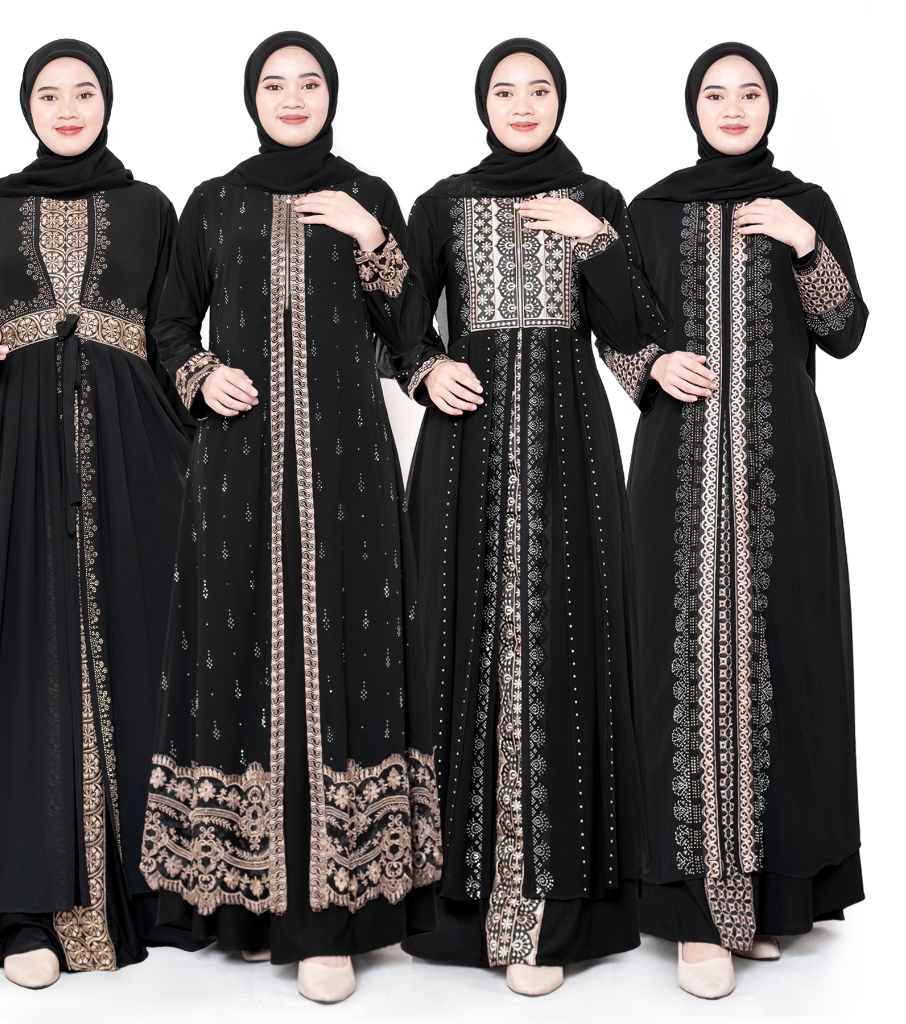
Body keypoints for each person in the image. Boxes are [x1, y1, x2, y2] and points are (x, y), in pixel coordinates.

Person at [138, 31, 443, 1004]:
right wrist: (200, 372)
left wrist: (372, 240)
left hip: (349, 464)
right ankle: (245, 899)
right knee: (242, 647)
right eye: (275, 84)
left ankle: (333, 915)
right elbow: (166, 321)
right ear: (252, 99)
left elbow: (411, 336)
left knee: (345, 649)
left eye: (310, 82)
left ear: (332, 95)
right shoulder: (213, 201)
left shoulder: (367, 193)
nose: (293, 97)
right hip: (238, 464)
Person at [0, 39, 200, 988]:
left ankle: (160, 890)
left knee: (146, 640)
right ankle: (25, 905)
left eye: (85, 92)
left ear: (108, 102)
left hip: (138, 446)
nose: (69, 107)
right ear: (27, 107)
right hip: (21, 449)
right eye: (50, 94)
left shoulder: (150, 205)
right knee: (25, 648)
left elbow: (174, 331)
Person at [600, 41, 867, 1000]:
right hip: (677, 474)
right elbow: (618, 329)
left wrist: (805, 245)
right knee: (680, 665)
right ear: (693, 107)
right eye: (715, 93)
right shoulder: (650, 209)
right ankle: (693, 917)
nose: (733, 106)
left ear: (771, 105)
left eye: (750, 92)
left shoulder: (805, 203)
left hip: (781, 471)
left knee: (780, 658)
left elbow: (845, 330)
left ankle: (764, 897)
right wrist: (652, 365)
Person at [399, 38, 665, 996]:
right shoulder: (442, 203)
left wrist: (595, 239)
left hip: (570, 449)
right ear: (483, 103)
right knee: (456, 640)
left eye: (539, 88)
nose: (522, 104)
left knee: (565, 644)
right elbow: (399, 318)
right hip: (464, 447)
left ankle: (552, 909)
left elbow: (635, 334)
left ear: (561, 99)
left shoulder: (599, 199)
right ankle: (459, 904)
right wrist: (427, 368)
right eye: (504, 90)